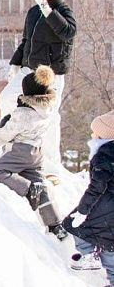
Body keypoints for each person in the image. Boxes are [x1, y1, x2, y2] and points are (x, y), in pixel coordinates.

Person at [0, 66, 67, 241]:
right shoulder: (46, 109)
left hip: (21, 152)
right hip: (37, 153)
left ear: (27, 93)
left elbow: (6, 134)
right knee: (42, 186)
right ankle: (55, 224)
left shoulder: (23, 113)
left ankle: (29, 188)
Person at [2, 0, 76, 162]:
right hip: (28, 69)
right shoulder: (33, 12)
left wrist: (48, 10)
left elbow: (68, 32)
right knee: (7, 99)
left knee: (48, 117)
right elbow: (26, 40)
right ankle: (10, 147)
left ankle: (50, 167)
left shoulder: (63, 10)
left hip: (50, 73)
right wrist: (15, 63)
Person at [63, 110, 114, 278]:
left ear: (105, 134)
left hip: (104, 204)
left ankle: (88, 256)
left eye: (96, 132)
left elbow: (97, 185)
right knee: (109, 244)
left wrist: (83, 210)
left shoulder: (104, 154)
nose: (93, 134)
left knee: (75, 224)